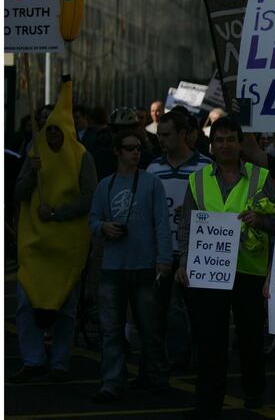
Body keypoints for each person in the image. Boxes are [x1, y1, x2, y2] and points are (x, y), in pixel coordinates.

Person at [176, 117, 275, 419]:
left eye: (231, 139)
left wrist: (260, 221)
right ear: (211, 145)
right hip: (210, 272)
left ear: (240, 142)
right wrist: (184, 261)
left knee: (250, 337)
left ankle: (253, 391)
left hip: (250, 271)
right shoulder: (197, 180)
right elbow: (186, 225)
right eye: (219, 140)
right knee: (211, 339)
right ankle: (208, 401)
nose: (225, 145)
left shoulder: (261, 178)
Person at [12, 78, 97, 384]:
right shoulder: (36, 154)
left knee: (65, 306)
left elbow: (90, 197)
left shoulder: (82, 156)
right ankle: (33, 359)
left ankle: (59, 362)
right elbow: (19, 194)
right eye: (47, 130)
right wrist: (30, 174)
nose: (51, 136)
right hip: (36, 244)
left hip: (67, 246)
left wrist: (58, 214)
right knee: (26, 301)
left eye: (56, 131)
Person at [88, 131, 172, 402]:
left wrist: (164, 258)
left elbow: (162, 223)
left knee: (150, 327)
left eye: (138, 148)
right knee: (111, 329)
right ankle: (111, 382)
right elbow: (92, 219)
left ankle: (156, 377)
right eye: (129, 148)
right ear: (117, 152)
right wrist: (103, 227)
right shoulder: (105, 185)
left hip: (144, 265)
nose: (136, 153)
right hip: (113, 267)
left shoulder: (151, 183)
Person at [146, 111, 213, 370]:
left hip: (197, 252)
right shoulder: (153, 169)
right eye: (159, 136)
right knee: (163, 312)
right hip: (164, 253)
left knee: (199, 313)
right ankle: (174, 360)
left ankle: (200, 359)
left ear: (183, 135)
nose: (161, 140)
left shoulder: (206, 168)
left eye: (166, 135)